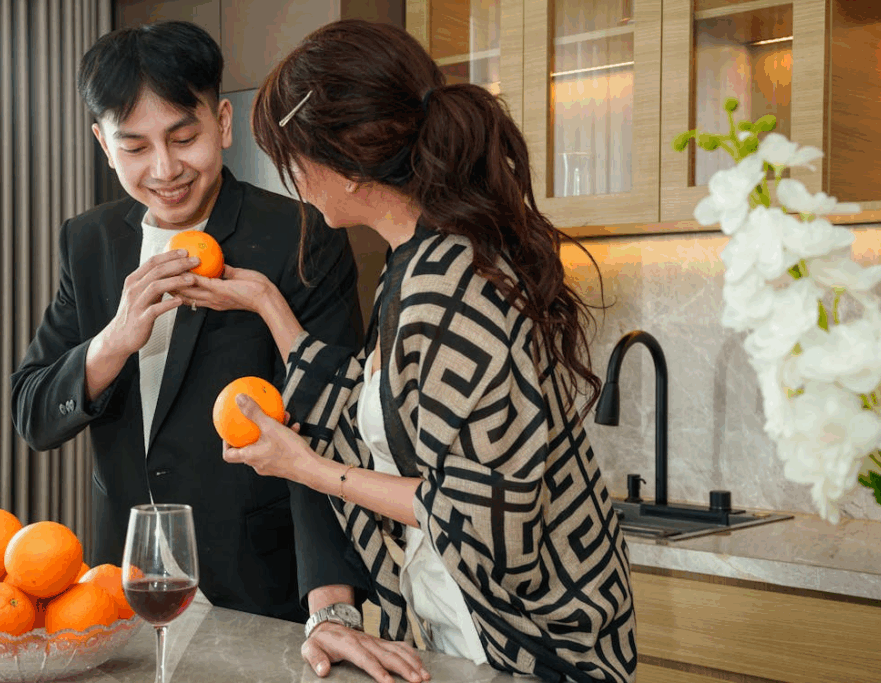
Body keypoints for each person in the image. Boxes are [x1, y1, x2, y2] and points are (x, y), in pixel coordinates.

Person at [185, 19, 637, 683]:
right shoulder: (419, 258)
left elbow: (480, 511)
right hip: (468, 635)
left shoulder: (445, 281)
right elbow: (381, 405)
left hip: (536, 650)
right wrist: (266, 303)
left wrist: (304, 466)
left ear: (342, 165)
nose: (292, 181)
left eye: (293, 161)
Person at [10, 20, 430, 683]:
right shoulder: (87, 241)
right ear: (103, 144)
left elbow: (329, 428)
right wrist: (113, 341)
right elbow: (33, 412)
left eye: (184, 137)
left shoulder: (302, 233)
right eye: (135, 146)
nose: (165, 168)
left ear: (223, 121)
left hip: (263, 595)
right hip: (123, 595)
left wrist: (332, 608)